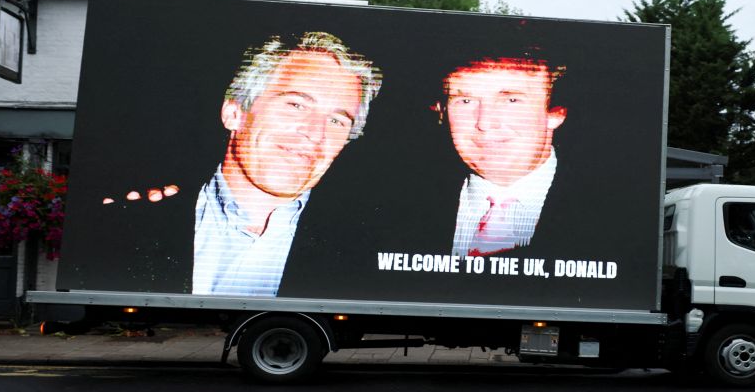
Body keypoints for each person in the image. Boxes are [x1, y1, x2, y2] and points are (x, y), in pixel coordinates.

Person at [105, 32, 381, 297]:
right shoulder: (136, 220)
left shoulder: (361, 244)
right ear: (235, 112)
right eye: (296, 105)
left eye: (337, 121)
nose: (315, 133)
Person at [438, 48, 567, 257]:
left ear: (555, 113)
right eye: (465, 101)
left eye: (511, 100)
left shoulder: (617, 211)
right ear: (442, 111)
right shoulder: (395, 205)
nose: (485, 123)